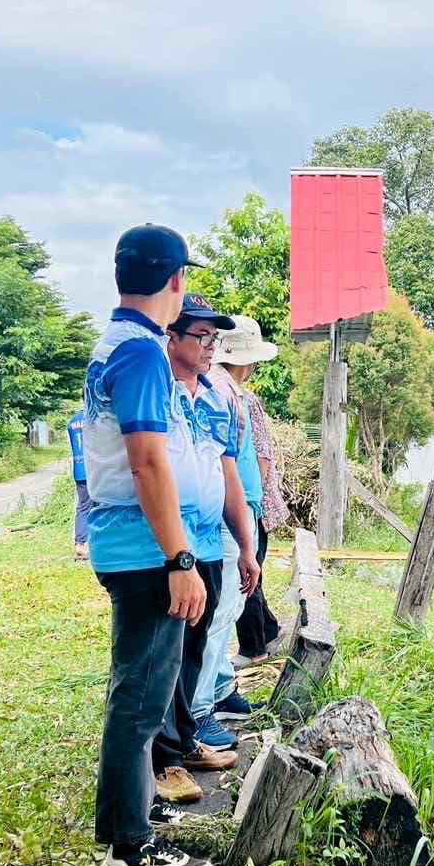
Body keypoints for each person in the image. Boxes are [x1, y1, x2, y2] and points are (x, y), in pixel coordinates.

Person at [82, 222, 224, 866]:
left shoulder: (116, 342)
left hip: (129, 544)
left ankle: (128, 814)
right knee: (140, 702)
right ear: (175, 280)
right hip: (144, 551)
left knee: (136, 693)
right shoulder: (140, 351)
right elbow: (146, 462)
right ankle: (128, 851)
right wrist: (179, 560)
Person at [152, 295, 260, 796]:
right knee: (165, 655)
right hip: (171, 548)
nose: (210, 347)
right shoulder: (157, 395)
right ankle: (163, 759)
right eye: (201, 337)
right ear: (171, 338)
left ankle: (185, 739)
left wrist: (244, 545)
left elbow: (229, 475)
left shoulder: (217, 401)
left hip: (211, 546)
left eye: (215, 339)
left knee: (194, 649)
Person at [194, 315, 278, 748]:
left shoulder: (218, 389)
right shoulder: (225, 395)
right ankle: (199, 708)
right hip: (231, 515)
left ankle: (221, 688)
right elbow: (237, 466)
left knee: (225, 610)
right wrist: (248, 528)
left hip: (233, 512)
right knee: (221, 612)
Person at [232, 363, 286, 666]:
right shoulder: (234, 395)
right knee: (254, 574)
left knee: (246, 576)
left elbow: (262, 457)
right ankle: (268, 630)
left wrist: (248, 506)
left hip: (253, 506)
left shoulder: (245, 400)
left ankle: (253, 649)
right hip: (248, 504)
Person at [67, 409, 90, 561]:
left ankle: (80, 544)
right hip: (94, 469)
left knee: (83, 506)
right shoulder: (94, 418)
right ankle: (93, 543)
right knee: (99, 506)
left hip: (78, 469)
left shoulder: (72, 421)